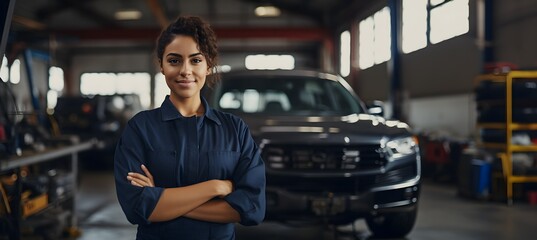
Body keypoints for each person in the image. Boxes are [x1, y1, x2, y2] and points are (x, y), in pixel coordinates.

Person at [114, 15, 266, 240]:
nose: (185, 70)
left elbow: (252, 208)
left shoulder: (235, 130)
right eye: (174, 61)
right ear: (162, 66)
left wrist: (162, 199)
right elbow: (137, 206)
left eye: (195, 60)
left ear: (209, 66)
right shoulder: (140, 129)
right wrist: (215, 188)